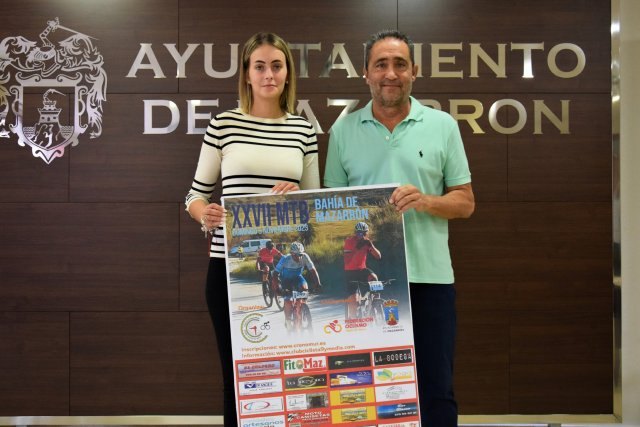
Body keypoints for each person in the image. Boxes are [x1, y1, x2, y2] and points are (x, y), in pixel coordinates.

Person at [323, 30, 475, 427]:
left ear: (414, 72)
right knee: (363, 390)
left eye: (400, 64)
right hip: (368, 282)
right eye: (381, 65)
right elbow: (332, 210)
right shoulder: (343, 132)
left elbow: (465, 202)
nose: (391, 73)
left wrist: (425, 201)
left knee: (435, 391)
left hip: (430, 282)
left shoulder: (442, 125)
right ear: (366, 73)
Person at [184, 32, 319, 426]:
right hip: (224, 269)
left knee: (291, 376)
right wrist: (204, 214)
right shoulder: (223, 125)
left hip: (287, 259)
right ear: (246, 74)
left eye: (276, 66)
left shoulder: (303, 130)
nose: (268, 74)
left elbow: (316, 203)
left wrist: (299, 194)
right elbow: (194, 195)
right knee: (241, 380)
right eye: (259, 66)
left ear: (288, 73)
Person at [272, 242, 322, 329]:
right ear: (291, 253)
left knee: (305, 288)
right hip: (286, 280)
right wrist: (277, 289)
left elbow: (313, 271)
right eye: (296, 255)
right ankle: (288, 320)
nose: (299, 257)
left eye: (300, 255)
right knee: (288, 301)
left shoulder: (305, 257)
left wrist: (318, 284)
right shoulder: (285, 259)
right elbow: (275, 274)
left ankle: (302, 308)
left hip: (297, 278)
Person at [343, 221, 381, 319]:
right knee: (354, 301)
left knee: (374, 278)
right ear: (355, 233)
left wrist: (371, 245)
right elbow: (347, 260)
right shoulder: (349, 241)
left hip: (362, 270)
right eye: (358, 233)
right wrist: (357, 247)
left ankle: (376, 303)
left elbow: (378, 257)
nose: (361, 235)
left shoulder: (366, 242)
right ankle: (353, 319)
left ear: (366, 233)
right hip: (350, 272)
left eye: (364, 233)